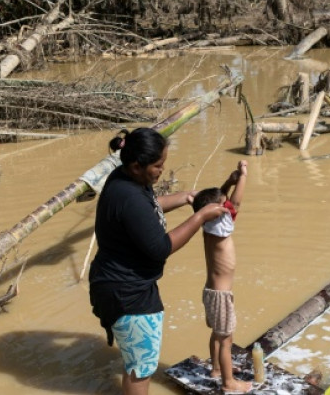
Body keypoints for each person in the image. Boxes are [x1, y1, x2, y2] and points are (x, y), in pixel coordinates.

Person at [89, 128, 226, 395]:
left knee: (135, 362)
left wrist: (187, 197)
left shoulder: (125, 179)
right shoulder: (128, 196)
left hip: (113, 282)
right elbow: (161, 247)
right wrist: (199, 218)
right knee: (141, 370)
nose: (162, 169)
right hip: (128, 293)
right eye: (158, 165)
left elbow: (148, 206)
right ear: (137, 165)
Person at [193, 160, 252, 393]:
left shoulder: (210, 223)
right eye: (222, 204)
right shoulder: (220, 222)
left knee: (218, 335)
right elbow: (236, 201)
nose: (226, 204)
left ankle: (217, 369)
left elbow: (220, 200)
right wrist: (244, 175)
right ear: (218, 210)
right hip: (220, 294)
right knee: (226, 339)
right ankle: (229, 383)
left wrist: (228, 181)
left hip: (212, 292)